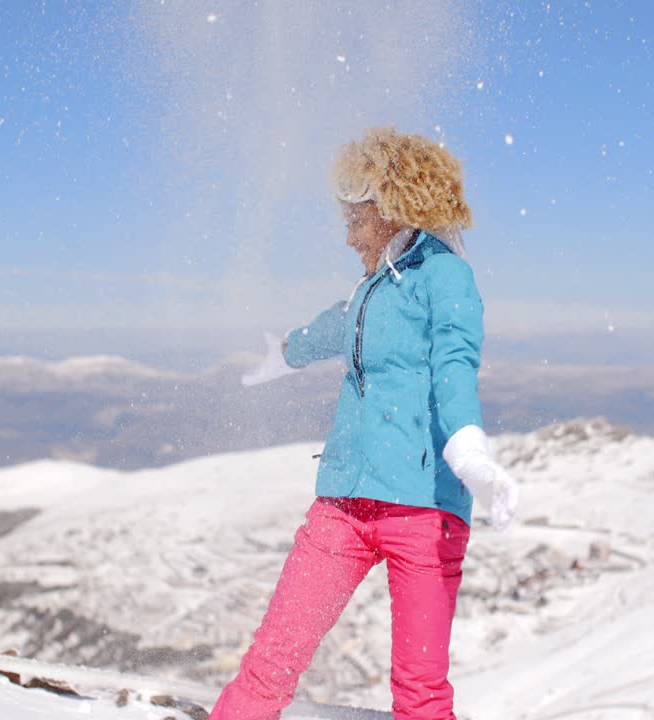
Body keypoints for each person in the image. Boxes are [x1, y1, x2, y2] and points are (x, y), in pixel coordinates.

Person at [218, 127, 520, 720]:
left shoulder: (444, 277)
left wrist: (469, 451)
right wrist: (283, 351)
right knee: (270, 662)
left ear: (390, 210)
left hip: (424, 509)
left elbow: (455, 365)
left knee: (420, 693)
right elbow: (336, 326)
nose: (348, 234)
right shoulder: (373, 287)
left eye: (355, 220)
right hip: (343, 504)